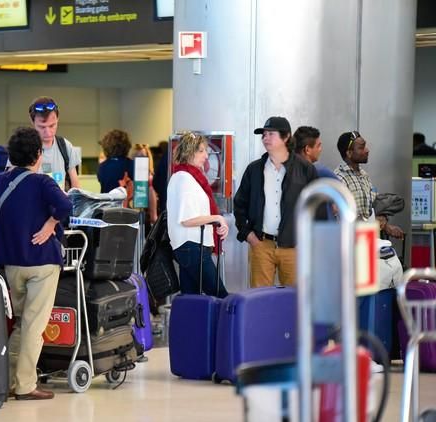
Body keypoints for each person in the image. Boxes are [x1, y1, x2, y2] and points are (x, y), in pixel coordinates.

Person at [0, 127, 72, 400]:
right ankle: (25, 385)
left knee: (20, 324)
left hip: (11, 264)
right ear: (39, 154)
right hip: (42, 263)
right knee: (34, 326)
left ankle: (9, 379)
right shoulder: (43, 182)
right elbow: (66, 206)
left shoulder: (0, 182)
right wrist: (50, 224)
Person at [233, 116, 318, 287]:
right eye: (263, 135)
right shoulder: (254, 169)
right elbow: (239, 204)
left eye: (271, 134)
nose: (265, 138)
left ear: (286, 137)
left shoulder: (305, 169)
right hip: (262, 244)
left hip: (294, 247)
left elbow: (317, 207)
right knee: (260, 299)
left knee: (295, 300)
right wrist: (248, 234)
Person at [166, 132, 229, 298]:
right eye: (201, 151)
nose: (206, 156)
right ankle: (229, 324)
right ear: (189, 152)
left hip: (191, 246)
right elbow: (187, 219)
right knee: (220, 296)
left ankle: (190, 325)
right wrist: (217, 218)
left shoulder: (185, 177)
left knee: (191, 299)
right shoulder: (185, 179)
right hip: (192, 246)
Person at [334, 131, 404, 238]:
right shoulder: (340, 178)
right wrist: (380, 225)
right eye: (361, 148)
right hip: (349, 242)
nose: (367, 150)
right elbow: (344, 216)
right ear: (349, 153)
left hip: (367, 239)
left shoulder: (363, 175)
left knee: (397, 202)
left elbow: (371, 208)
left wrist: (383, 221)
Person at [27, 96, 81, 189]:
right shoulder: (23, 147)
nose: (48, 132)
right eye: (42, 127)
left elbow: (76, 187)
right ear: (33, 122)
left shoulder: (65, 147)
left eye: (52, 125)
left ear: (58, 119)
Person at [131, 143, 159, 224]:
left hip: (145, 220)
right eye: (137, 156)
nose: (140, 160)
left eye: (143, 156)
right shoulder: (128, 177)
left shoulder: (150, 179)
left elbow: (153, 215)